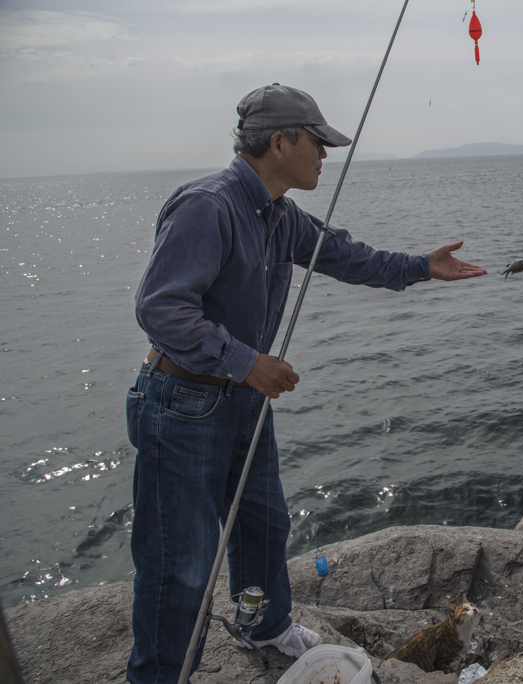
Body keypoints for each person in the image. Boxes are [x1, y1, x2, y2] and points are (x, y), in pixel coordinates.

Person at [125, 84, 486, 683]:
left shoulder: (279, 214)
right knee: (179, 565)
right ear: (279, 142)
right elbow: (161, 310)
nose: (325, 155)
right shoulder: (208, 205)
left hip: (241, 403)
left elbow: (342, 254)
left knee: (264, 524)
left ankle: (262, 624)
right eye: (317, 143)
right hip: (183, 405)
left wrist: (421, 267)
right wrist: (248, 363)